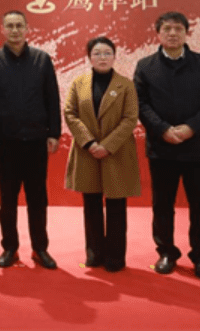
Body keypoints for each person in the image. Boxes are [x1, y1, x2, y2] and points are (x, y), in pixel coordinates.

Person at [134, 11, 200, 279]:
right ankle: (166, 252)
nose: (173, 34)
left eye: (178, 29)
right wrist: (162, 129)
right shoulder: (145, 65)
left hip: (198, 147)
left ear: (187, 33)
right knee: (162, 205)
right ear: (158, 34)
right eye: (167, 29)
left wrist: (190, 128)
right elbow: (140, 104)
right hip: (162, 148)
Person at [0, 10, 61, 269]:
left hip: (36, 140)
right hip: (6, 142)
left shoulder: (41, 59)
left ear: (27, 29)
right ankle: (10, 248)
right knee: (8, 199)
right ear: (2, 30)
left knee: (38, 198)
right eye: (10, 26)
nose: (15, 30)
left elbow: (52, 98)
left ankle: (40, 248)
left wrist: (54, 132)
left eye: (19, 26)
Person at [63, 36, 140, 272]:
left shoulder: (125, 85)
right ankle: (94, 253)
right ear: (89, 57)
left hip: (116, 152)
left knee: (117, 206)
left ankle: (115, 257)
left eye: (107, 53)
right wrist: (89, 142)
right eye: (97, 53)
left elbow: (130, 118)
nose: (102, 57)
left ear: (114, 57)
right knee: (91, 204)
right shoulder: (79, 83)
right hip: (87, 152)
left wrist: (106, 145)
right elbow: (70, 113)